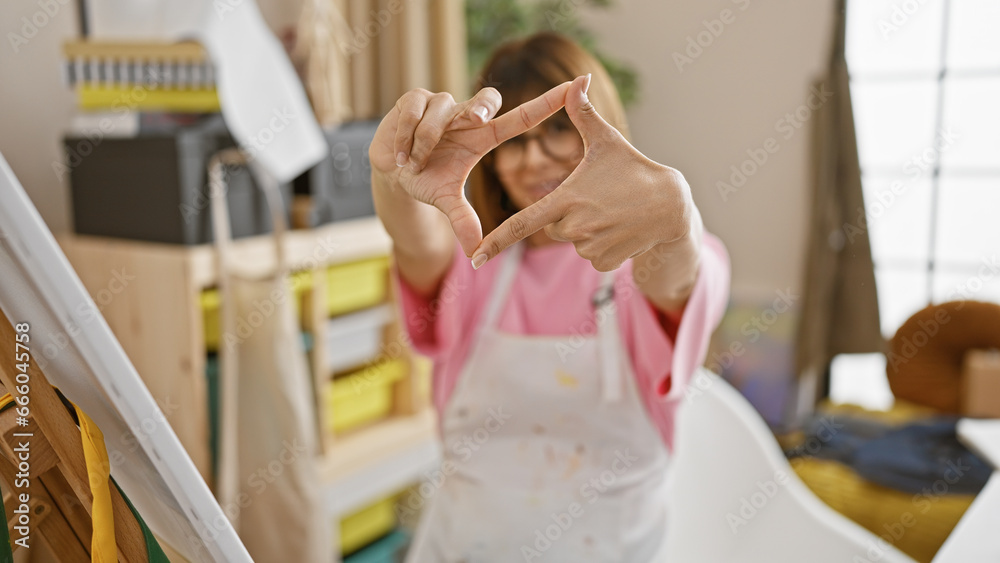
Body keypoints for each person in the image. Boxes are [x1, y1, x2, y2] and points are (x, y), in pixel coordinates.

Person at [370, 32, 730, 562]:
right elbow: (415, 241)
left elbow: (677, 280)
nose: (533, 159)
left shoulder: (648, 264)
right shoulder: (476, 259)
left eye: (558, 130)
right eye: (514, 141)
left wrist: (678, 228)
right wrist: (396, 175)